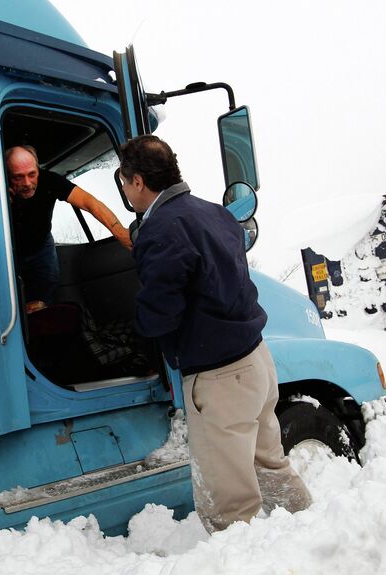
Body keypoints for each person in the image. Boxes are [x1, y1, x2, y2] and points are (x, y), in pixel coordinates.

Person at [118, 135, 312, 532]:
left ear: (138, 181)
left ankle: (238, 561)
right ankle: (311, 531)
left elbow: (159, 313)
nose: (124, 188)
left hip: (220, 379)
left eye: (123, 180)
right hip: (257, 361)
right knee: (270, 464)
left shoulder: (161, 230)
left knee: (228, 505)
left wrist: (132, 329)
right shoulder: (215, 213)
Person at [5, 145, 132, 304]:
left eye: (32, 174)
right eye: (18, 177)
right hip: (6, 249)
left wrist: (121, 233)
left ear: (38, 168)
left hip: (41, 245)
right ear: (7, 175)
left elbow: (88, 202)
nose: (27, 183)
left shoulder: (49, 180)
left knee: (48, 287)